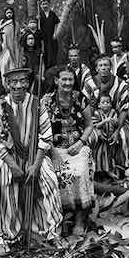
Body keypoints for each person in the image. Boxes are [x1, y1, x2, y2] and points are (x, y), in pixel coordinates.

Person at [0, 67, 63, 255]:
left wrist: (36, 165)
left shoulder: (37, 103)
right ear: (7, 84)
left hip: (35, 154)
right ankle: (3, 235)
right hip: (8, 156)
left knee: (49, 181)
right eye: (14, 82)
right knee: (0, 185)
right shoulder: (0, 105)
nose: (18, 86)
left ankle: (49, 232)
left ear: (28, 83)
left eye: (22, 81)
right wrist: (13, 166)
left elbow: (46, 136)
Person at [42, 67, 95, 235]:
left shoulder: (80, 98)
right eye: (63, 79)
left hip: (77, 147)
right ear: (56, 81)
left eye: (70, 80)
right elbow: (41, 130)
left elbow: (89, 125)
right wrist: (53, 151)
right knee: (56, 175)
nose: (67, 83)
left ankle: (80, 218)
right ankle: (61, 216)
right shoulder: (47, 101)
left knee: (79, 171)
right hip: (54, 148)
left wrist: (81, 142)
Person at [84, 54, 129, 175]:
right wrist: (94, 127)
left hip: (116, 120)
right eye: (100, 65)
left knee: (125, 136)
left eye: (106, 65)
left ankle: (124, 168)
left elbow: (124, 109)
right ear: (96, 68)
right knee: (90, 138)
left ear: (111, 67)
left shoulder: (121, 84)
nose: (104, 68)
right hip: (95, 121)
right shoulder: (89, 83)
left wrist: (117, 130)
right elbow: (86, 108)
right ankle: (92, 171)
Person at [91, 93, 119, 176]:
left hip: (110, 136)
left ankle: (109, 170)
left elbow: (116, 123)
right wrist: (105, 121)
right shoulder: (97, 113)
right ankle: (99, 171)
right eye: (103, 102)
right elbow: (95, 125)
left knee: (110, 154)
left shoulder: (113, 112)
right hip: (101, 138)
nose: (106, 104)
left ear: (111, 105)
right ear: (99, 105)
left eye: (108, 102)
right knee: (100, 154)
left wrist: (115, 122)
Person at [39, 0, 60, 68]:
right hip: (43, 37)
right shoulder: (39, 15)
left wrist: (55, 33)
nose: (44, 6)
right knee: (45, 51)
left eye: (46, 4)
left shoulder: (52, 14)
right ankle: (45, 67)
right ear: (41, 5)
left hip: (51, 36)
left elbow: (57, 24)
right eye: (43, 4)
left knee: (53, 51)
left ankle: (53, 66)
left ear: (49, 4)